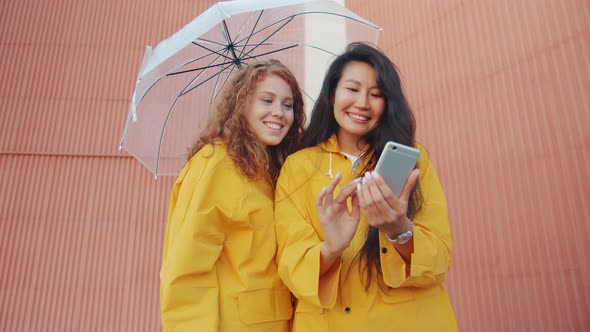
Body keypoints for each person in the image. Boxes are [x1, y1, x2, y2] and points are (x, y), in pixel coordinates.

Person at [274, 42, 457, 331]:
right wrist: (331, 248)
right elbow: (291, 266)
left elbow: (439, 260)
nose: (363, 103)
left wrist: (399, 230)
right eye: (353, 89)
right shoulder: (298, 167)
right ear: (332, 93)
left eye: (376, 94)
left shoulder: (413, 159)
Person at [160, 59, 306, 331]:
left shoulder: (275, 171)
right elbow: (186, 267)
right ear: (242, 104)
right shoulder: (216, 163)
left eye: (288, 105)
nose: (279, 113)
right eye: (267, 100)